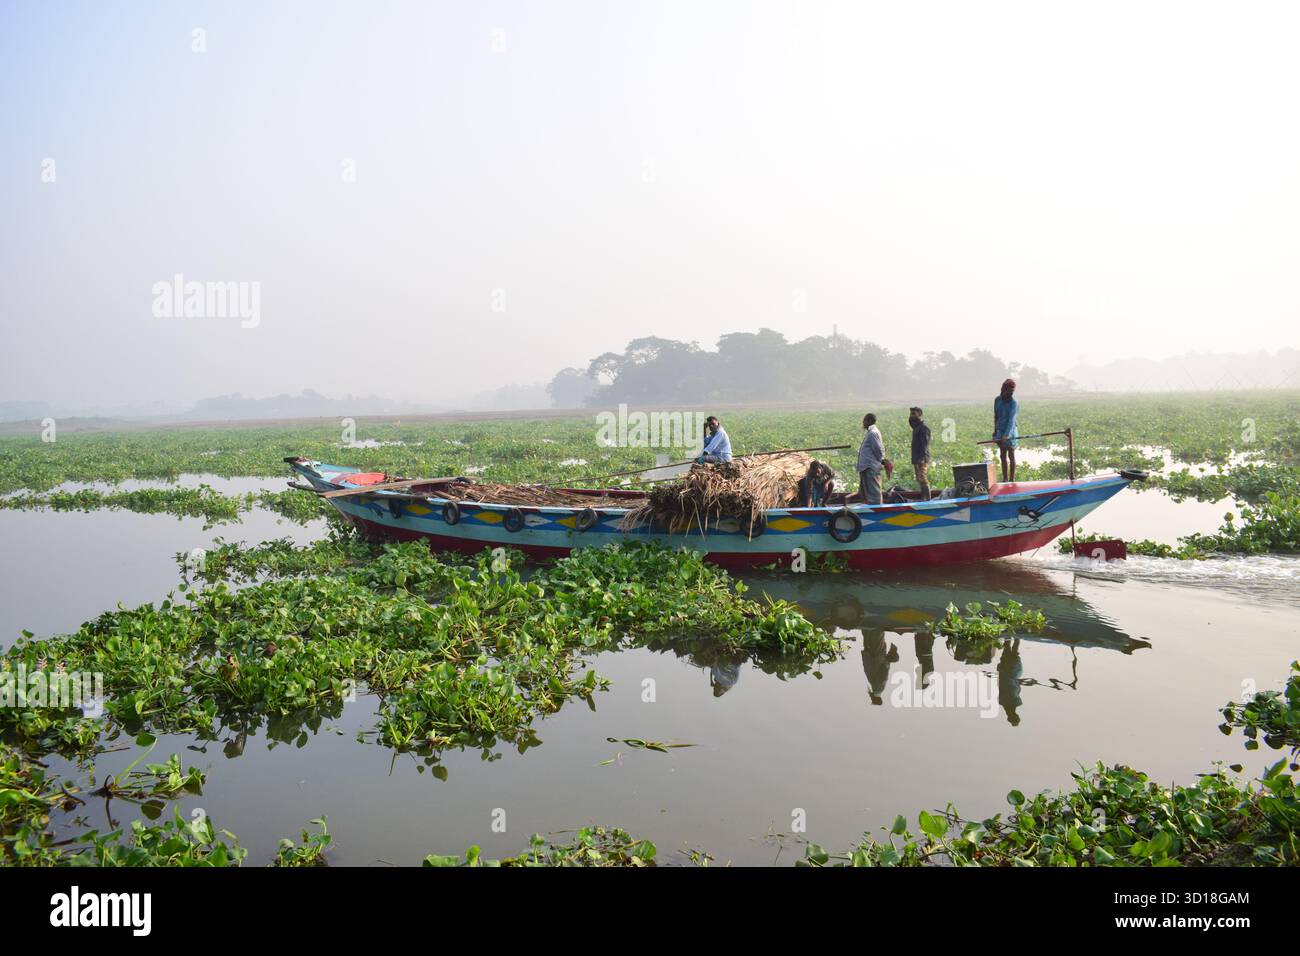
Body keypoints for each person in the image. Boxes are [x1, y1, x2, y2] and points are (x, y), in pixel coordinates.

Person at [992, 378, 1019, 482]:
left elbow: (1011, 420)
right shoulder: (997, 400)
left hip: (1011, 432)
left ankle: (1012, 479)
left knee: (1011, 454)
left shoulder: (1014, 403)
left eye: (1013, 391)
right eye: (1009, 391)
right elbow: (996, 416)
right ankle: (1005, 479)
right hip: (1000, 430)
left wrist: (1006, 435)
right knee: (1002, 455)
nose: (1011, 393)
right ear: (1003, 389)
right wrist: (995, 432)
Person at [857, 412, 885, 505]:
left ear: (869, 421)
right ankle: (870, 508)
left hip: (871, 467)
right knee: (866, 492)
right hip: (866, 467)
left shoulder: (873, 433)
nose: (863, 422)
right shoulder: (871, 432)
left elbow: (878, 449)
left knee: (874, 492)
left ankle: (877, 511)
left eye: (864, 420)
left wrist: (882, 460)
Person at [908, 406, 932, 500]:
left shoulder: (923, 428)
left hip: (922, 458)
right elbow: (911, 422)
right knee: (919, 478)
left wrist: (922, 459)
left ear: (920, 415)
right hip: (916, 458)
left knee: (922, 478)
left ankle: (927, 499)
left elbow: (924, 445)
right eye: (911, 414)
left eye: (914, 414)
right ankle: (924, 497)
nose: (911, 416)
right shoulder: (916, 428)